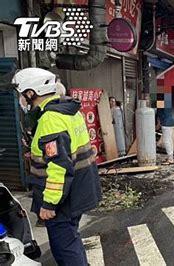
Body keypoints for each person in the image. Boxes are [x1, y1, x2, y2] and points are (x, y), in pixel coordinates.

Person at [12, 68, 102, 266]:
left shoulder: (50, 119)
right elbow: (66, 151)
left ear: (30, 93)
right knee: (70, 240)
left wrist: (49, 205)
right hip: (79, 189)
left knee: (65, 247)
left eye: (22, 94)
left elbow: (58, 167)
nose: (22, 100)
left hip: (63, 198)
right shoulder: (68, 110)